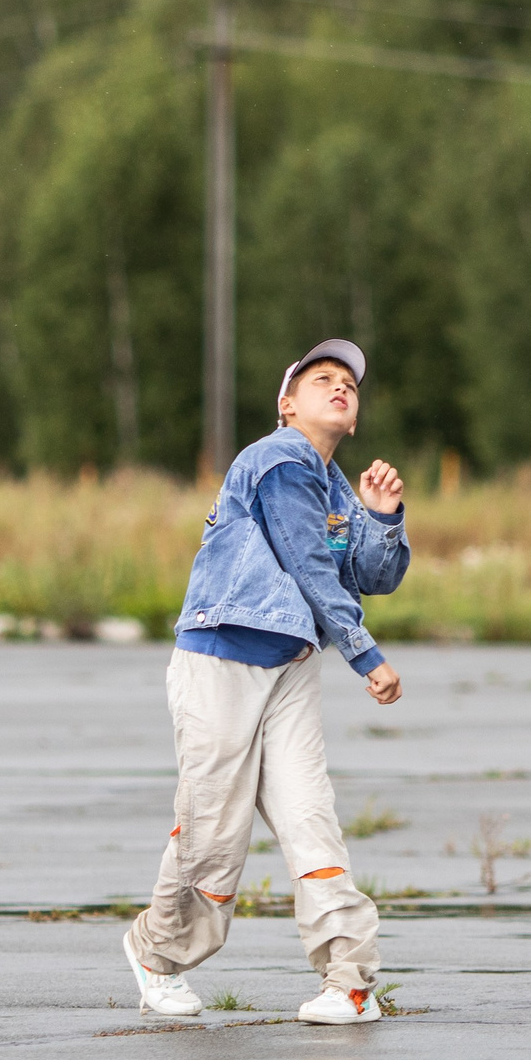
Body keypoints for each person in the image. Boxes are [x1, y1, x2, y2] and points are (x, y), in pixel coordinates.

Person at [121, 338, 409, 1024]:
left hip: (289, 667)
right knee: (215, 826)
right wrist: (367, 656)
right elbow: (311, 570)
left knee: (311, 819)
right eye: (322, 380)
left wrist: (381, 517)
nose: (340, 387)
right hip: (221, 658)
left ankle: (351, 981)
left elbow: (375, 576)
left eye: (349, 383)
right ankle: (158, 952)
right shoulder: (276, 460)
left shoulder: (333, 487)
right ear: (287, 405)